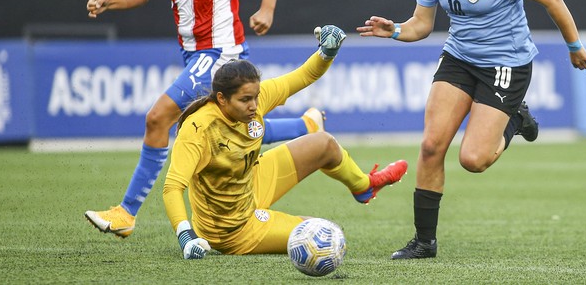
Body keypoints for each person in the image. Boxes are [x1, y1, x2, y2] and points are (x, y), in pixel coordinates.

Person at [84, 0, 325, 238]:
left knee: (157, 118)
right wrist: (108, 1)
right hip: (192, 54)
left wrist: (267, 9)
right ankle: (306, 127)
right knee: (221, 126)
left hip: (219, 51)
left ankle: (126, 213)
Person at [357, 0, 586, 259]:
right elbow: (421, 25)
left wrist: (574, 47)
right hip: (459, 59)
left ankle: (515, 118)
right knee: (431, 146)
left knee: (473, 160)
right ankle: (424, 243)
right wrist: (394, 31)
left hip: (506, 64)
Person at [163, 25, 408, 259]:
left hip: (251, 182)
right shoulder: (198, 128)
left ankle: (364, 186)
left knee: (324, 144)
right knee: (326, 237)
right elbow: (173, 187)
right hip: (231, 229)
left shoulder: (255, 99)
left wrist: (326, 53)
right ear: (221, 99)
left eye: (256, 97)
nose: (254, 106)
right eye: (245, 100)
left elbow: (303, 75)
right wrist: (186, 237)